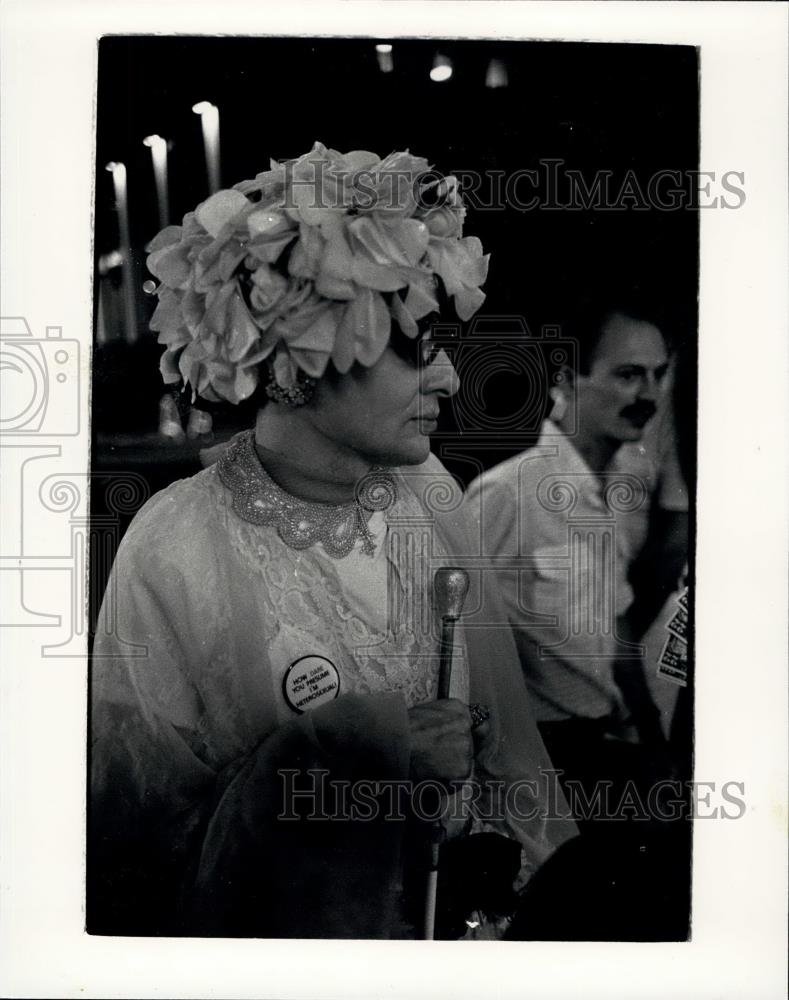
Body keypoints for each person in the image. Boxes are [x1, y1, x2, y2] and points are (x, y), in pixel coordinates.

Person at [89, 142, 575, 940]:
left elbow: (512, 768)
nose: (449, 380)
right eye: (414, 347)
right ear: (295, 361)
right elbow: (138, 861)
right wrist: (354, 752)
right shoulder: (175, 545)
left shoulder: (430, 498)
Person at [465, 291, 690, 823]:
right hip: (534, 765)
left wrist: (653, 745)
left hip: (599, 753)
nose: (649, 395)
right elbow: (446, 643)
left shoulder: (608, 495)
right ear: (566, 379)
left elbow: (613, 637)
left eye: (658, 376)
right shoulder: (507, 495)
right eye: (629, 375)